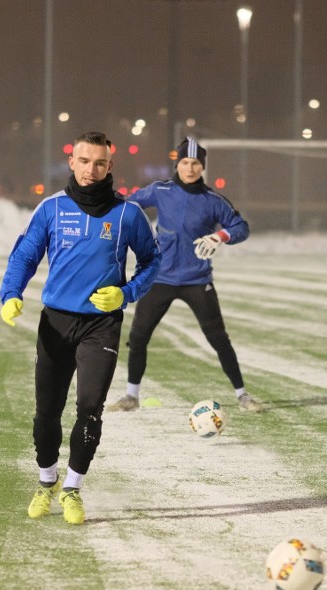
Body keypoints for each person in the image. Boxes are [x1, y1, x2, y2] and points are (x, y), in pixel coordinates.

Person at [0, 131, 161, 525]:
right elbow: (24, 255)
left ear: (110, 167)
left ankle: (72, 488)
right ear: (72, 162)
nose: (92, 169)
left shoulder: (127, 214)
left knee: (90, 409)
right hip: (56, 322)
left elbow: (153, 261)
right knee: (46, 412)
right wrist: (10, 294)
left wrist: (126, 293)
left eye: (100, 163)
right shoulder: (51, 209)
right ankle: (46, 480)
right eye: (85, 161)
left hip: (101, 326)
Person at [107, 137, 263, 413]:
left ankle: (243, 396)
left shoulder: (213, 200)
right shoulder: (160, 190)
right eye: (185, 163)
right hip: (159, 279)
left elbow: (242, 227)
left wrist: (221, 235)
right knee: (139, 336)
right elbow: (127, 206)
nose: (190, 168)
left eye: (195, 164)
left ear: (202, 167)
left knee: (219, 339)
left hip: (196, 280)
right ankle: (131, 396)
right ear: (177, 164)